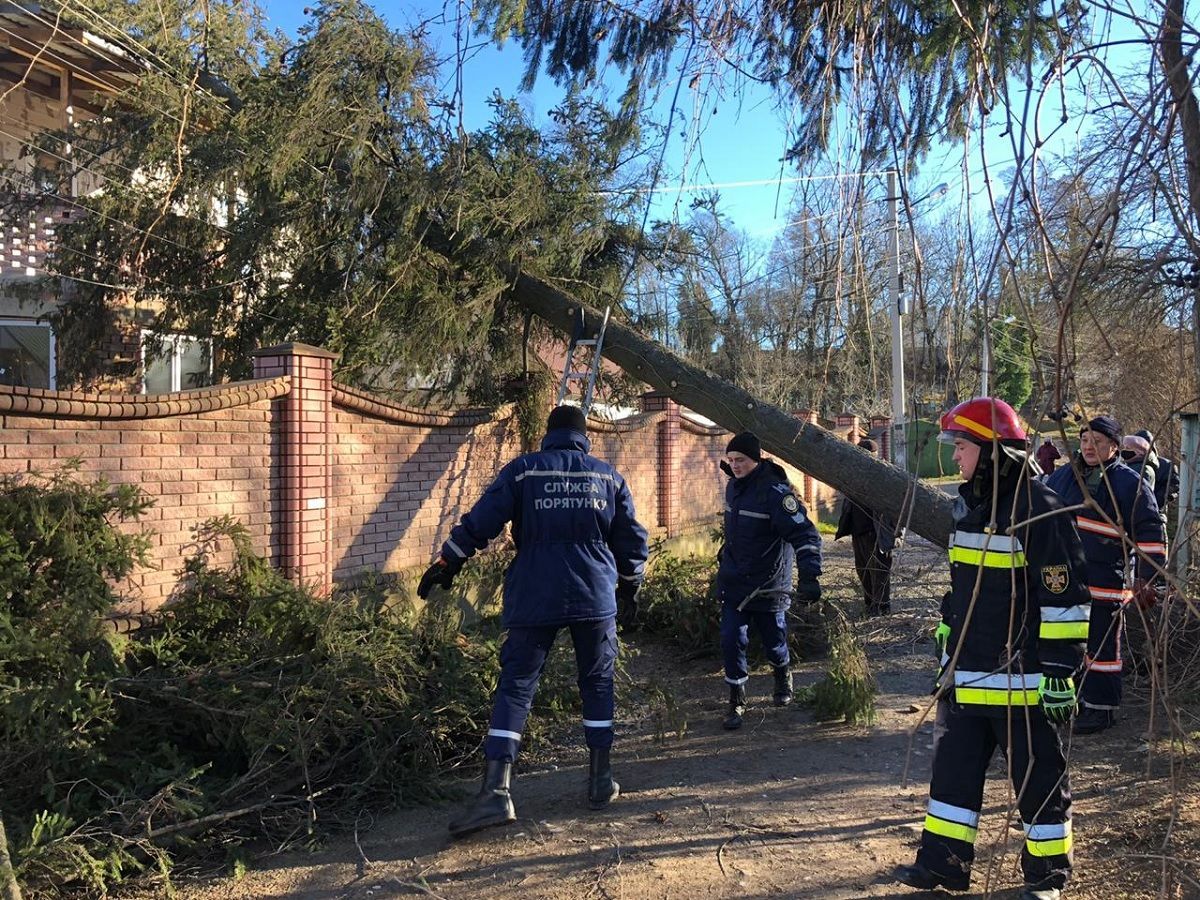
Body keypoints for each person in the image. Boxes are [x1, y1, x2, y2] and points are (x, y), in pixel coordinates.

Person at [417, 404, 649, 837]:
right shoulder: (607, 477)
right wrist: (630, 586)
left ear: (548, 435)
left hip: (533, 591)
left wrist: (450, 561)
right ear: (585, 438)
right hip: (594, 595)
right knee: (597, 682)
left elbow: (481, 520)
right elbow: (632, 539)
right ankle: (600, 781)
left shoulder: (524, 472)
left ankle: (496, 793)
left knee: (518, 684)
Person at [894, 397, 1090, 900]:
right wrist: (947, 640)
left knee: (1039, 783)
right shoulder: (972, 509)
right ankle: (942, 866)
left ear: (993, 451)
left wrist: (1060, 673)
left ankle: (1047, 878)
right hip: (969, 675)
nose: (955, 458)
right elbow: (963, 589)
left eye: (961, 447)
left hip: (1025, 683)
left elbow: (1064, 599)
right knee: (952, 779)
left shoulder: (1040, 511)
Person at [1045, 416, 1165, 734]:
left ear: (1114, 446)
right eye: (1084, 440)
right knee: (1067, 645)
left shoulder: (1130, 484)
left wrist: (1146, 579)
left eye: (1097, 441)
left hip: (1104, 582)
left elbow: (1150, 532)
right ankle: (1072, 700)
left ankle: (1101, 709)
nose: (1088, 446)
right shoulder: (1062, 478)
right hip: (1062, 583)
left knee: (1102, 648)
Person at [716, 431, 822, 730]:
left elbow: (805, 535)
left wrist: (810, 575)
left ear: (756, 460)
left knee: (774, 641)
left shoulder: (776, 495)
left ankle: (782, 675)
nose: (735, 465)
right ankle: (736, 699)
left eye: (741, 460)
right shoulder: (734, 488)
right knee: (731, 639)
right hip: (735, 583)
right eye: (731, 460)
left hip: (768, 585)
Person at [834, 439, 895, 616]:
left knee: (880, 571)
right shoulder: (854, 475)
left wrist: (895, 531)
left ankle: (882, 607)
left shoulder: (884, 476)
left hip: (878, 532)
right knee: (864, 571)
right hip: (858, 531)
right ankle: (870, 605)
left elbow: (894, 507)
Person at [1134, 428, 1179, 529]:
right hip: (1132, 515)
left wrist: (1154, 502)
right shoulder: (1128, 463)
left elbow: (1173, 487)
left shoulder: (1166, 465)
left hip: (1157, 514)